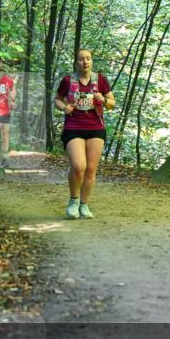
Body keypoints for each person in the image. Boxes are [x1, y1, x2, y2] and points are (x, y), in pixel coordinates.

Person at [54, 49, 115, 219]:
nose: (85, 62)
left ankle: (84, 204)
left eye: (88, 59)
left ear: (92, 61)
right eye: (81, 59)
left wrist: (104, 100)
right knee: (79, 166)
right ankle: (73, 201)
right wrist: (64, 107)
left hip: (95, 126)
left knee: (90, 169)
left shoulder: (100, 80)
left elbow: (112, 103)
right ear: (76, 62)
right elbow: (57, 99)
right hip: (73, 125)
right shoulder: (68, 80)